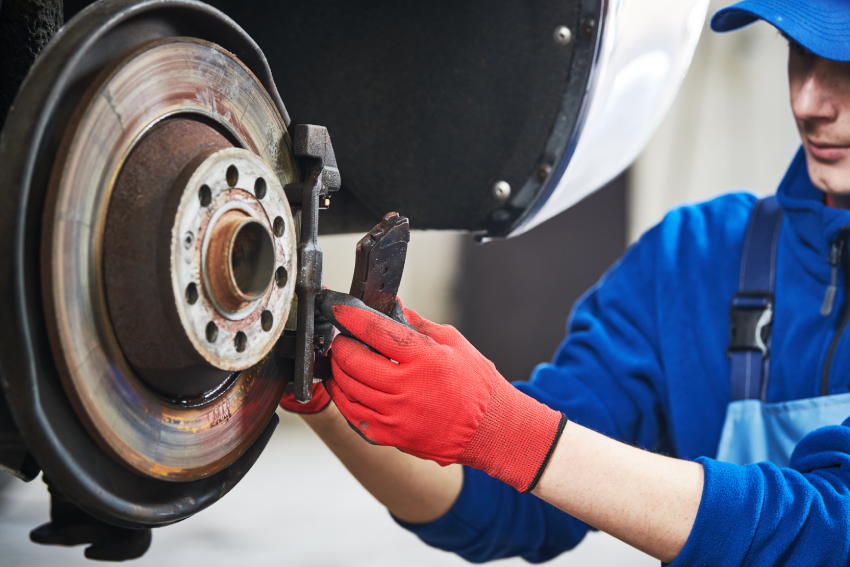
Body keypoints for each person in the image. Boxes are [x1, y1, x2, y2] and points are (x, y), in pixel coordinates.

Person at [281, 1, 850, 564]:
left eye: (845, 62)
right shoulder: (693, 260)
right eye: (799, 53)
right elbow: (515, 501)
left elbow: (830, 533)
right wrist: (324, 383)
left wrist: (504, 429)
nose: (807, 102)